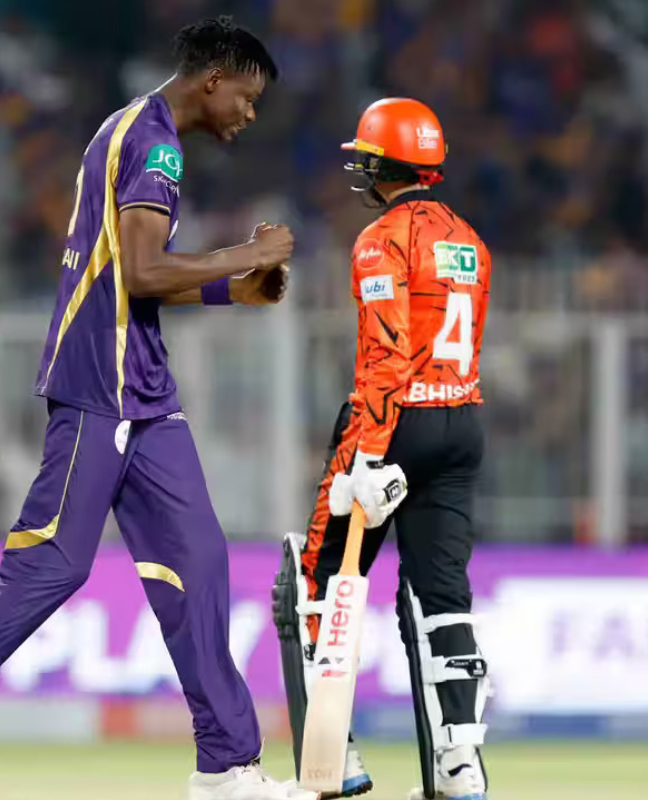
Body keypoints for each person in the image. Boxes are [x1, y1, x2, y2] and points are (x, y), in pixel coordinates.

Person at [0, 16, 314, 800]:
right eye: (248, 96)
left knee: (199, 564)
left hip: (144, 390)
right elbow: (139, 273)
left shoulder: (136, 131)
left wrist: (233, 290)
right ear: (214, 79)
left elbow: (132, 276)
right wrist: (248, 254)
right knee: (51, 566)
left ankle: (226, 768)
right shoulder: (155, 142)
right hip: (98, 385)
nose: (250, 113)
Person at [274, 99, 492, 800]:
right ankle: (460, 764)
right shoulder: (471, 241)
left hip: (395, 424)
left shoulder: (380, 240)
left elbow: (386, 355)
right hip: (461, 422)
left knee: (314, 580)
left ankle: (334, 757)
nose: (359, 170)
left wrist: (367, 455)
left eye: (365, 159)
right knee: (442, 596)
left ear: (382, 165)